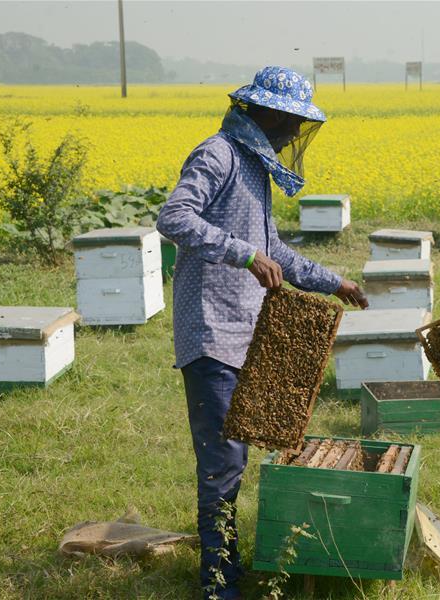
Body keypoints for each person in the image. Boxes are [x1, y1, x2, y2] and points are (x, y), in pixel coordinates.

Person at [157, 66, 367, 600]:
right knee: (223, 464)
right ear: (268, 112)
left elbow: (273, 251)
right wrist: (241, 253)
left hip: (246, 332)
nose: (296, 133)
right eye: (293, 121)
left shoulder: (251, 168)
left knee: (245, 455)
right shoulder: (218, 154)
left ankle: (230, 565)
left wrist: (332, 282)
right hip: (210, 332)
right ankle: (218, 584)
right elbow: (174, 217)